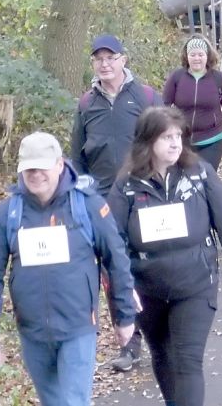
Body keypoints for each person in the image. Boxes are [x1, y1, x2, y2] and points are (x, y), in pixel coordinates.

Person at [107, 106, 222, 406]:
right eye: (167, 137)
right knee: (163, 356)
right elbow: (112, 244)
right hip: (147, 289)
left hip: (195, 284)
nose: (176, 144)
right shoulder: (126, 186)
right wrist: (121, 299)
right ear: (148, 142)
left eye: (178, 136)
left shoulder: (199, 174)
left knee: (187, 361)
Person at [0, 132, 138, 406]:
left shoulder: (87, 205)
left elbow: (116, 260)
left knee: (74, 401)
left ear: (60, 165)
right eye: (29, 168)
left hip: (78, 328)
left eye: (42, 167)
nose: (35, 174)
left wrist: (124, 316)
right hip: (33, 333)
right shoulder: (8, 214)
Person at [70, 33, 161, 371]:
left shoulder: (148, 96)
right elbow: (76, 159)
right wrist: (81, 198)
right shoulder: (85, 105)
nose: (105, 64)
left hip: (144, 196)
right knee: (113, 271)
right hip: (103, 204)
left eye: (111, 57)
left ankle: (160, 332)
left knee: (150, 265)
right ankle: (130, 343)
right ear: (93, 64)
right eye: (98, 59)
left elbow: (169, 143)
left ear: (124, 59)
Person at [162, 36, 222, 171]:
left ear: (207, 56)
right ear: (186, 56)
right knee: (184, 182)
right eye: (192, 55)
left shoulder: (218, 79)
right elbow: (163, 107)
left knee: (204, 180)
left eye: (201, 54)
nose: (196, 58)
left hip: (212, 140)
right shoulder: (177, 77)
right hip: (181, 140)